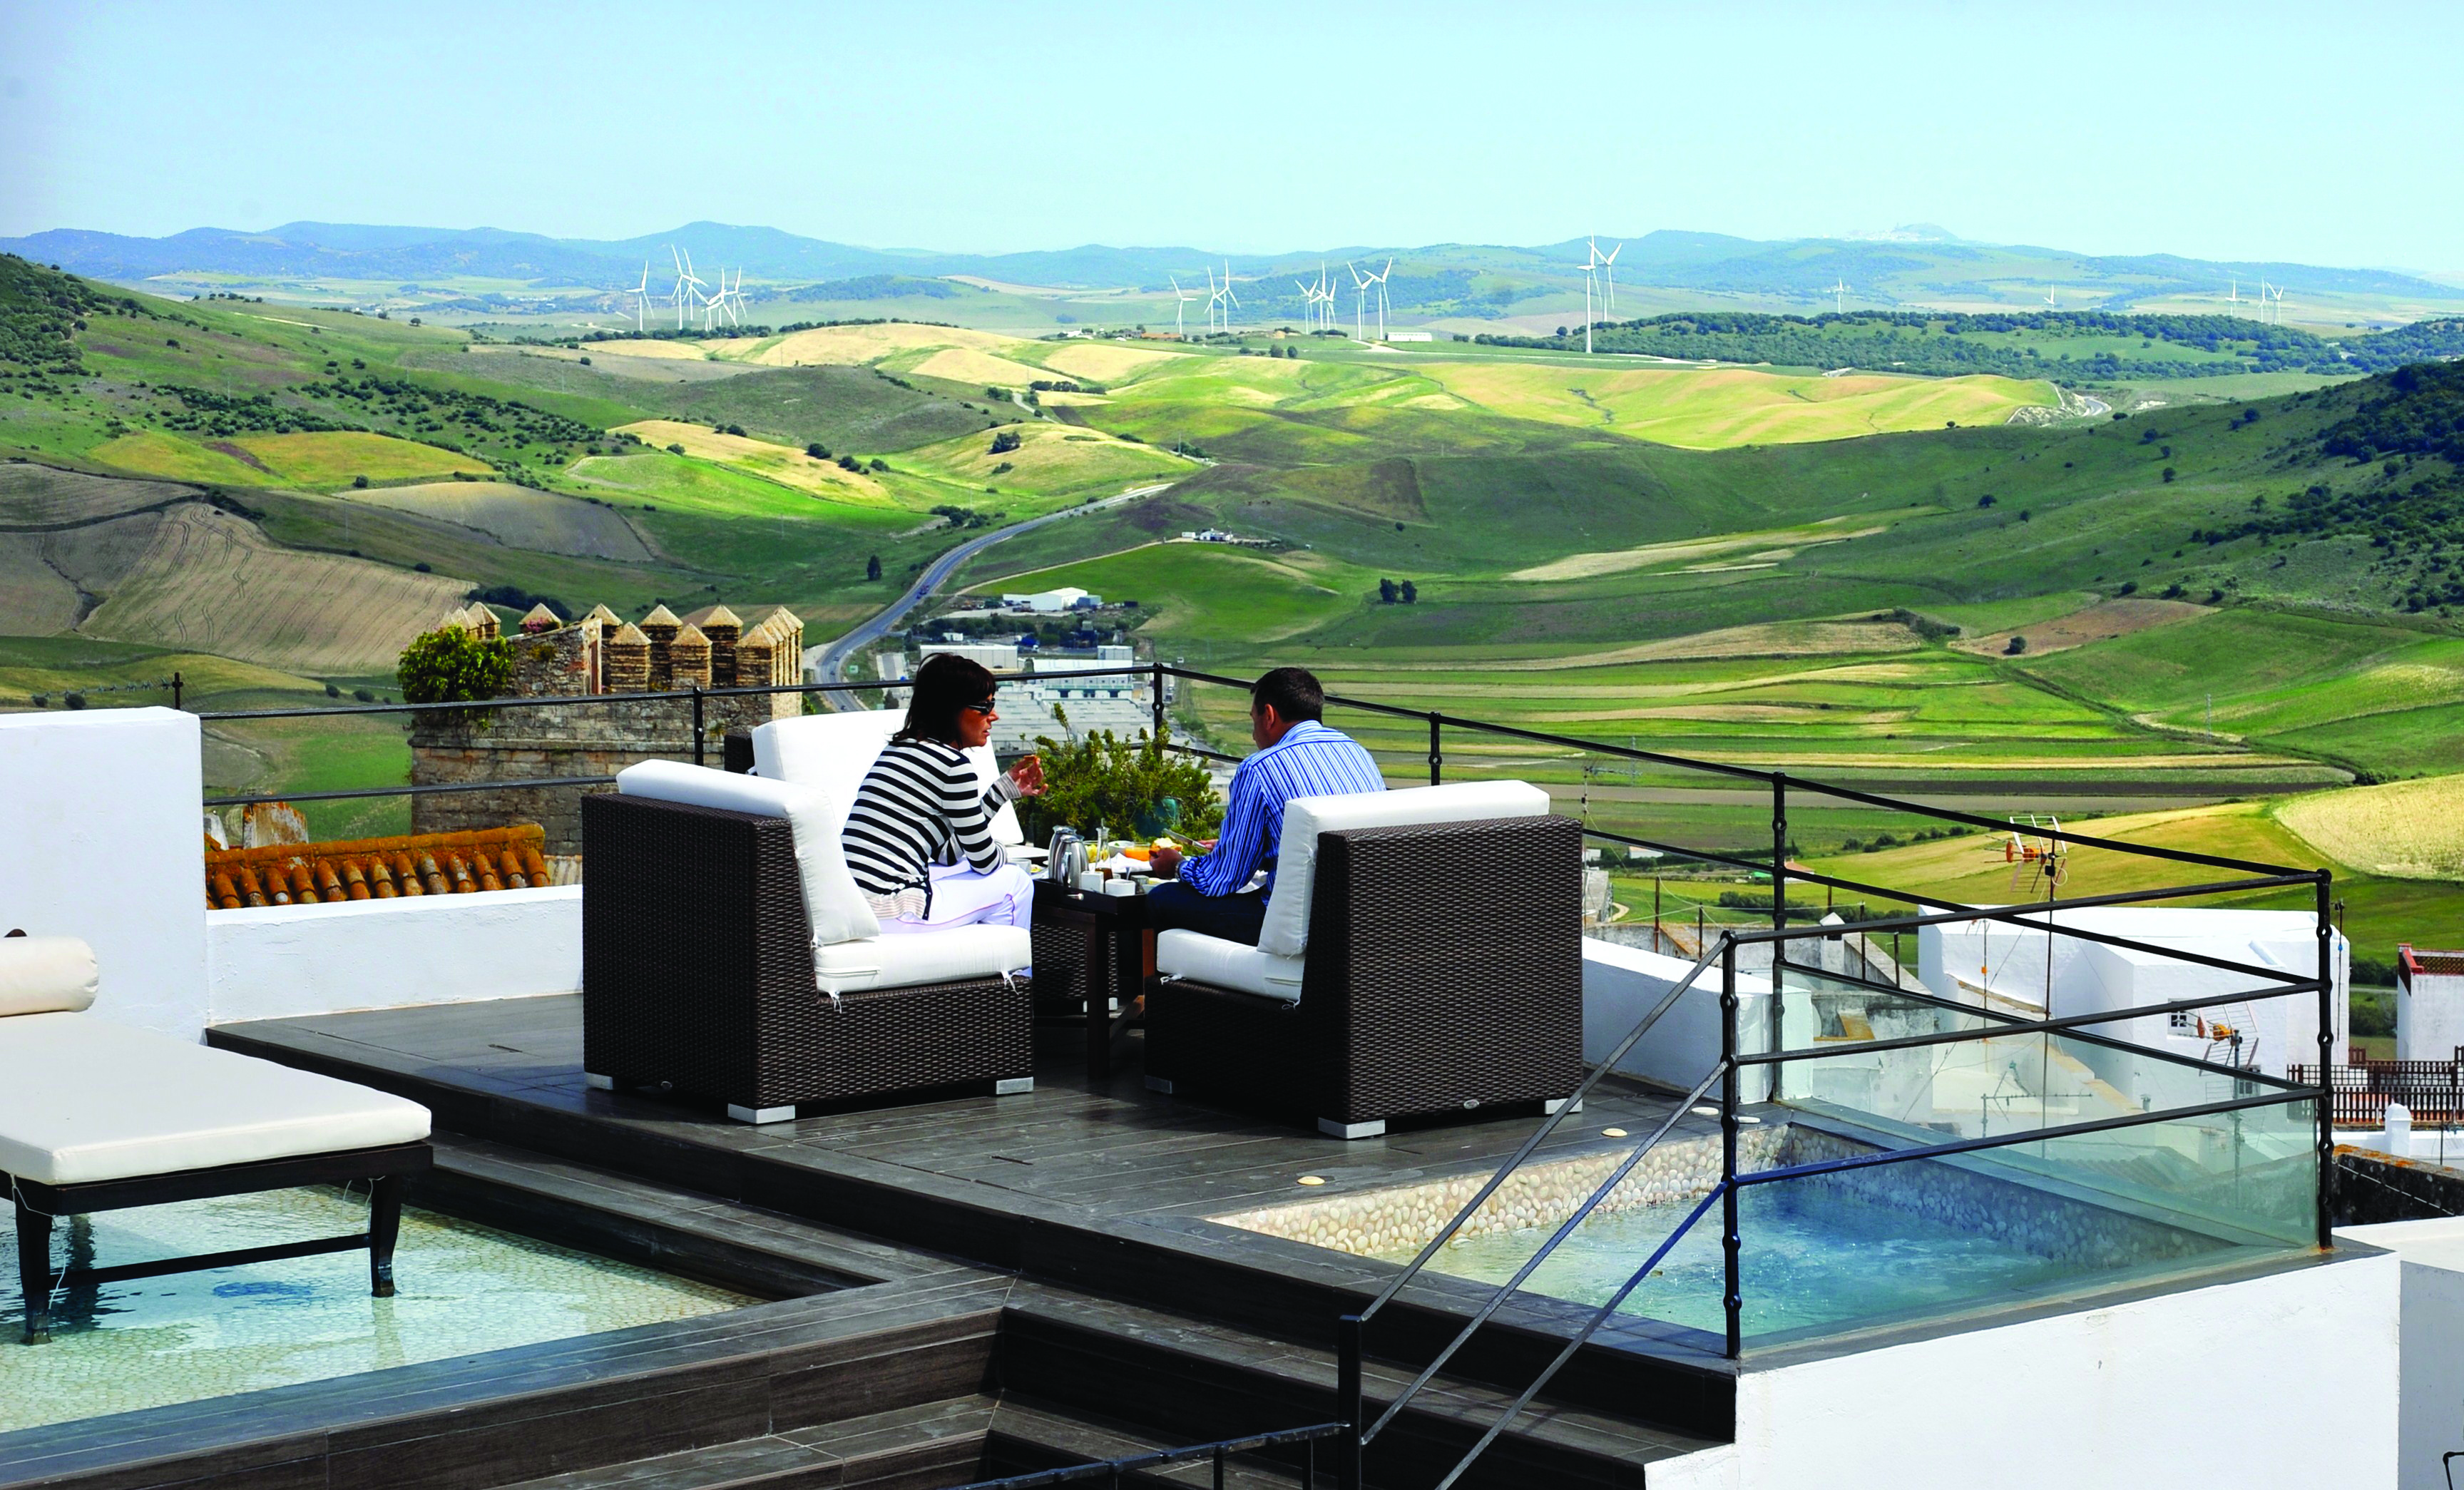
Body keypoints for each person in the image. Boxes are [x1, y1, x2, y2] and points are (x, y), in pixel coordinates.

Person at [1147, 666, 1384, 946]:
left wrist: (1177, 867)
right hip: (1359, 916)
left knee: (1160, 900)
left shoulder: (1260, 768)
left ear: (1269, 716)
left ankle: (1151, 990)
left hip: (1293, 925)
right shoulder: (1359, 754)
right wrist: (1246, 849)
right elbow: (1317, 844)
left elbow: (1223, 880)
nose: (1253, 734)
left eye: (1253, 720)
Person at [842, 653, 1044, 934]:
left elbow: (947, 854)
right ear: (953, 710)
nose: (994, 716)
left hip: (850, 901)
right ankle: (1014, 976)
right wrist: (1008, 856)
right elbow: (985, 861)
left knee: (961, 872)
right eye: (985, 707)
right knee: (1016, 880)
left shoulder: (900, 749)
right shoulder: (953, 765)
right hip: (890, 909)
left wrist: (1002, 791)